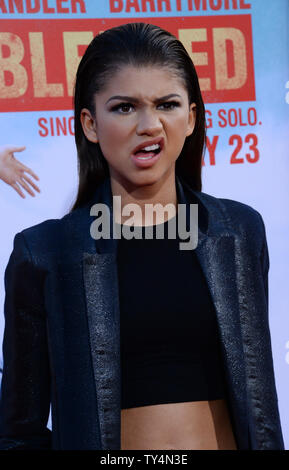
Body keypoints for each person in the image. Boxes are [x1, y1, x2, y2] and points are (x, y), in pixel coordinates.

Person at [0, 23, 284, 451]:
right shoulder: (45, 253)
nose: (149, 125)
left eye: (167, 104)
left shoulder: (239, 232)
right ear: (90, 124)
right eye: (125, 108)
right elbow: (18, 432)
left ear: (190, 118)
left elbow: (258, 400)